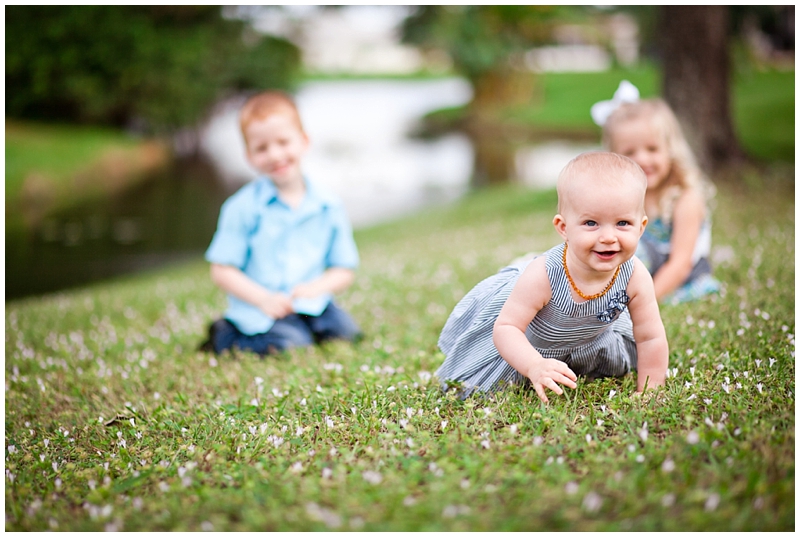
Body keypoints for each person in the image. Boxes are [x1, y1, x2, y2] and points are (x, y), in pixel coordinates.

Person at [436, 152, 669, 403]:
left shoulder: (635, 275)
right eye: (591, 223)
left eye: (622, 223)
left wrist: (651, 389)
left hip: (591, 340)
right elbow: (507, 328)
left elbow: (650, 336)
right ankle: (520, 266)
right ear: (563, 227)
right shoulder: (544, 275)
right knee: (477, 391)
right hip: (530, 346)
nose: (608, 237)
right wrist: (534, 365)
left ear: (641, 226)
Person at [201, 91, 361, 356]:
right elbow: (222, 270)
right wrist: (262, 298)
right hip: (260, 309)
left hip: (310, 303)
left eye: (283, 142)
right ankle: (225, 334)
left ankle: (302, 329)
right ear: (249, 155)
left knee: (346, 333)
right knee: (292, 345)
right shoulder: (241, 207)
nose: (275, 155)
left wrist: (315, 289)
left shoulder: (327, 204)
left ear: (303, 141)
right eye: (262, 148)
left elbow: (344, 269)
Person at [591, 80, 720, 304]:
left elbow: (680, 265)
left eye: (652, 149)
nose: (642, 159)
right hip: (636, 275)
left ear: (670, 149)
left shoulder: (685, 199)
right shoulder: (624, 198)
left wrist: (640, 301)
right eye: (630, 152)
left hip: (675, 280)